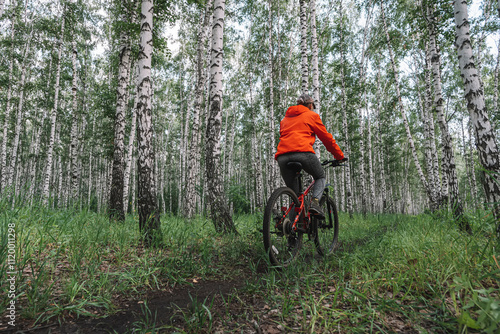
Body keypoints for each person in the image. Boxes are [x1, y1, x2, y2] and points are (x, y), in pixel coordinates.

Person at [275, 94, 345, 218]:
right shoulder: (312, 116)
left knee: (295, 197)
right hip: (303, 153)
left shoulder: (285, 119)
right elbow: (326, 138)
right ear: (310, 105)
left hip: (283, 157)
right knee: (320, 177)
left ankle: (291, 228)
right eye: (313, 105)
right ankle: (315, 203)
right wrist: (339, 156)